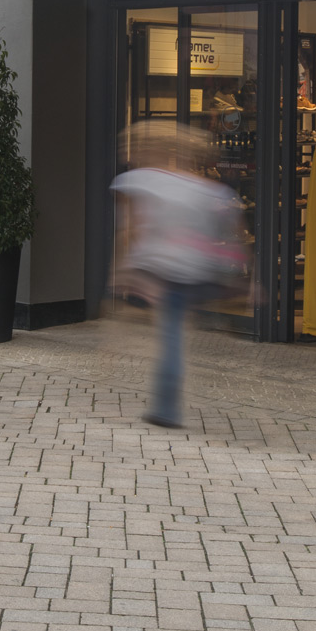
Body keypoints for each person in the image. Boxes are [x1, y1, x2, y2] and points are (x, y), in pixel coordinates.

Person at [112, 129, 243, 430]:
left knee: (171, 337)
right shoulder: (209, 189)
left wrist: (122, 271)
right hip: (197, 271)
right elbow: (229, 228)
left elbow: (130, 230)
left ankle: (166, 410)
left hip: (165, 272)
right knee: (174, 332)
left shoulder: (141, 181)